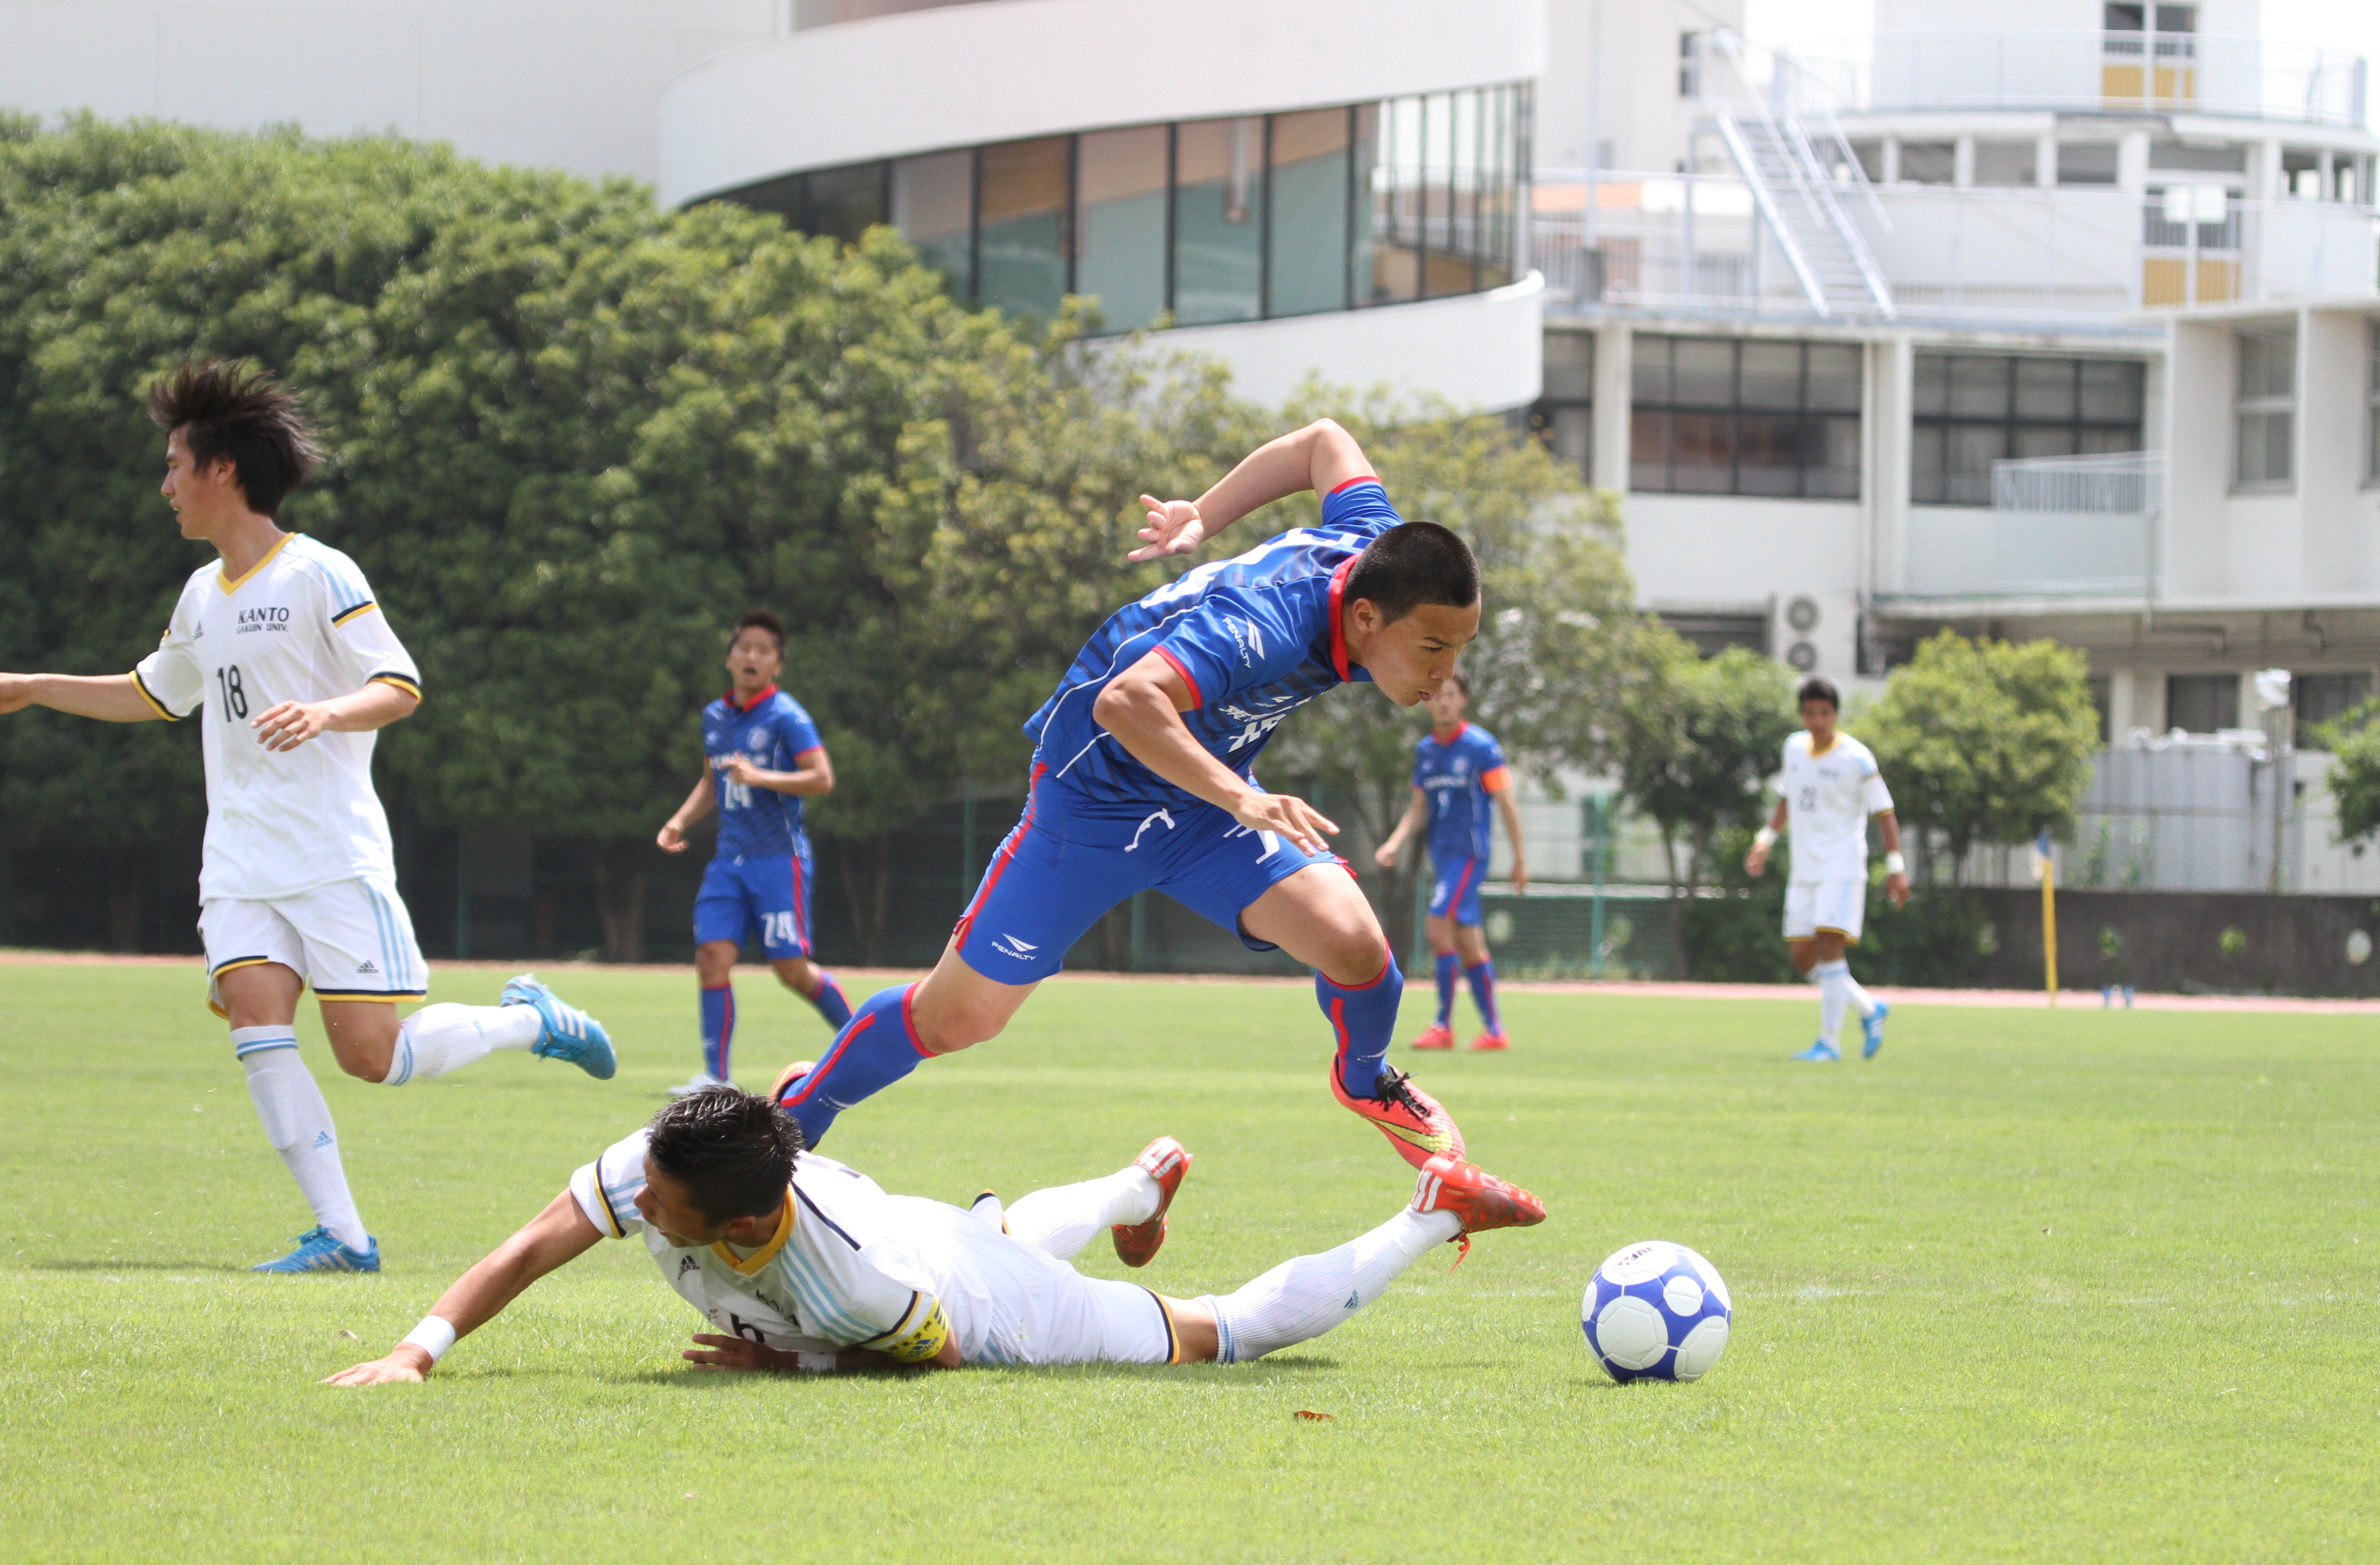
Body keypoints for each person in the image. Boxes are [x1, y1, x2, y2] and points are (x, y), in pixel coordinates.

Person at [0, 361, 616, 1275]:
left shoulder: (322, 572)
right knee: (257, 1025)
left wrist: (328, 712)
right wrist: (30, 689)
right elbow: (155, 694)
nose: (165, 484)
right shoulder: (200, 596)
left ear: (223, 472)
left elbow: (399, 683)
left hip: (331, 855)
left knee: (373, 1057)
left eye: (175, 464)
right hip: (240, 860)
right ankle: (346, 1237)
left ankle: (532, 1020)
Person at [773, 418, 1484, 1171]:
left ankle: (1365, 1081)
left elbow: (1323, 442)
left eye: (1459, 650)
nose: (1443, 674)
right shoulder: (1264, 627)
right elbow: (1126, 702)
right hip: (1092, 811)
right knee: (956, 1020)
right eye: (1434, 649)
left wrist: (1203, 514)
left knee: (1357, 947)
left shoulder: (1374, 550)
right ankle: (794, 1116)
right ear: (1367, 618)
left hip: (1204, 805)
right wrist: (1242, 800)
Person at [320, 1085, 1545, 1385]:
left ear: (744, 1222)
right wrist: (419, 1352)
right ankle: (1130, 1186)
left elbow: (936, 1352)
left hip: (979, 1301)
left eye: (659, 1206)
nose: (633, 1206)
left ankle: (1430, 1212)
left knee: (1223, 1332)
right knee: (996, 1224)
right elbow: (536, 1241)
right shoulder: (671, 1160)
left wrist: (791, 1359)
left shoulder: (842, 1286)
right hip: (923, 1225)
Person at [655, 611, 852, 1090]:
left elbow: (822, 779)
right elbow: (711, 782)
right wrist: (679, 821)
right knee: (712, 956)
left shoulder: (787, 716)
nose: (752, 656)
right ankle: (716, 1079)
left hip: (778, 860)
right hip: (730, 861)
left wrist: (764, 777)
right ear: (729, 657)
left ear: (778, 666)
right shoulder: (715, 717)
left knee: (790, 971)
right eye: (744, 647)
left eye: (764, 651)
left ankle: (860, 1044)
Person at [1743, 677, 1910, 1062]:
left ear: (1835, 714)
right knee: (1802, 957)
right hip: (1804, 869)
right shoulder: (1793, 748)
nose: (1818, 720)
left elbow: (1885, 814)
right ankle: (1870, 1008)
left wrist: (1896, 868)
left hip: (1842, 865)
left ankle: (1829, 1044)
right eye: (1811, 713)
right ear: (1802, 714)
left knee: (1830, 946)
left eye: (1825, 713)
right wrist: (1765, 841)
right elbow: (1788, 798)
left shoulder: (1857, 758)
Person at [1372, 673, 1527, 1051]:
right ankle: (1494, 1031)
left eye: (1451, 695)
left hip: (1469, 855)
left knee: (1437, 925)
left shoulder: (1481, 747)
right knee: (1468, 942)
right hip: (1443, 858)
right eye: (1437, 695)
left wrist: (1520, 858)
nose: (1443, 702)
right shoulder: (1426, 750)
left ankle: (1443, 1025)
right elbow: (1419, 808)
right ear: (1426, 701)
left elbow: (1506, 803)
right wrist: (1394, 843)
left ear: (1464, 701)